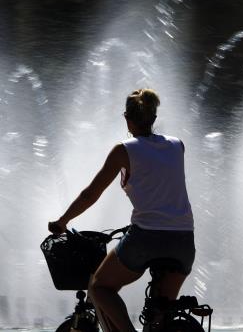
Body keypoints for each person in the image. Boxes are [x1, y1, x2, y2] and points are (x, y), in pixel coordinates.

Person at [48, 88, 195, 332]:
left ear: (127, 118)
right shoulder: (177, 145)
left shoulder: (123, 150)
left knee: (98, 287)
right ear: (154, 119)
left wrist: (63, 221)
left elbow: (90, 194)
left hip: (146, 237)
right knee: (160, 315)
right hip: (183, 242)